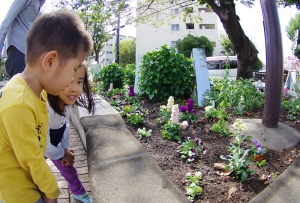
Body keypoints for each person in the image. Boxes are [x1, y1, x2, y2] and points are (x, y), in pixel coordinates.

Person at [0, 10, 93, 203]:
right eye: (72, 70)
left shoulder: (37, 93)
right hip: (19, 193)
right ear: (50, 61)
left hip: (30, 183)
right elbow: (32, 159)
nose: (71, 81)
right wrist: (51, 193)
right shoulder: (19, 103)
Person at [45, 63, 95, 203]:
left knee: (68, 167)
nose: (74, 88)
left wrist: (65, 149)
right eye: (68, 81)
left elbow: (64, 126)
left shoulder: (66, 104)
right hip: (33, 150)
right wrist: (62, 154)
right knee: (40, 183)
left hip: (52, 144)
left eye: (79, 81)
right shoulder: (46, 109)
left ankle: (78, 191)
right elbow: (44, 146)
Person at [0, 0, 45, 78]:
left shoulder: (39, 3)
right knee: (19, 88)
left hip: (30, 54)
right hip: (18, 51)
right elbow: (7, 21)